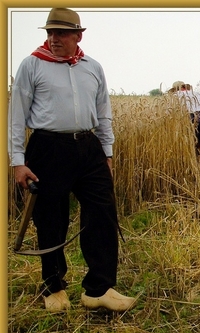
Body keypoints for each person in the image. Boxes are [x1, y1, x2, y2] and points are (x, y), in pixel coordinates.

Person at [8, 8, 135, 312]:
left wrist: (106, 153)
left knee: (102, 213)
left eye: (61, 33)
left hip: (88, 147)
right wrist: (18, 161)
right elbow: (15, 117)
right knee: (51, 219)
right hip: (47, 148)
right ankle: (53, 287)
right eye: (50, 33)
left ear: (78, 35)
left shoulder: (93, 68)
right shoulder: (32, 65)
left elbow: (103, 113)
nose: (54, 39)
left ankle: (98, 289)